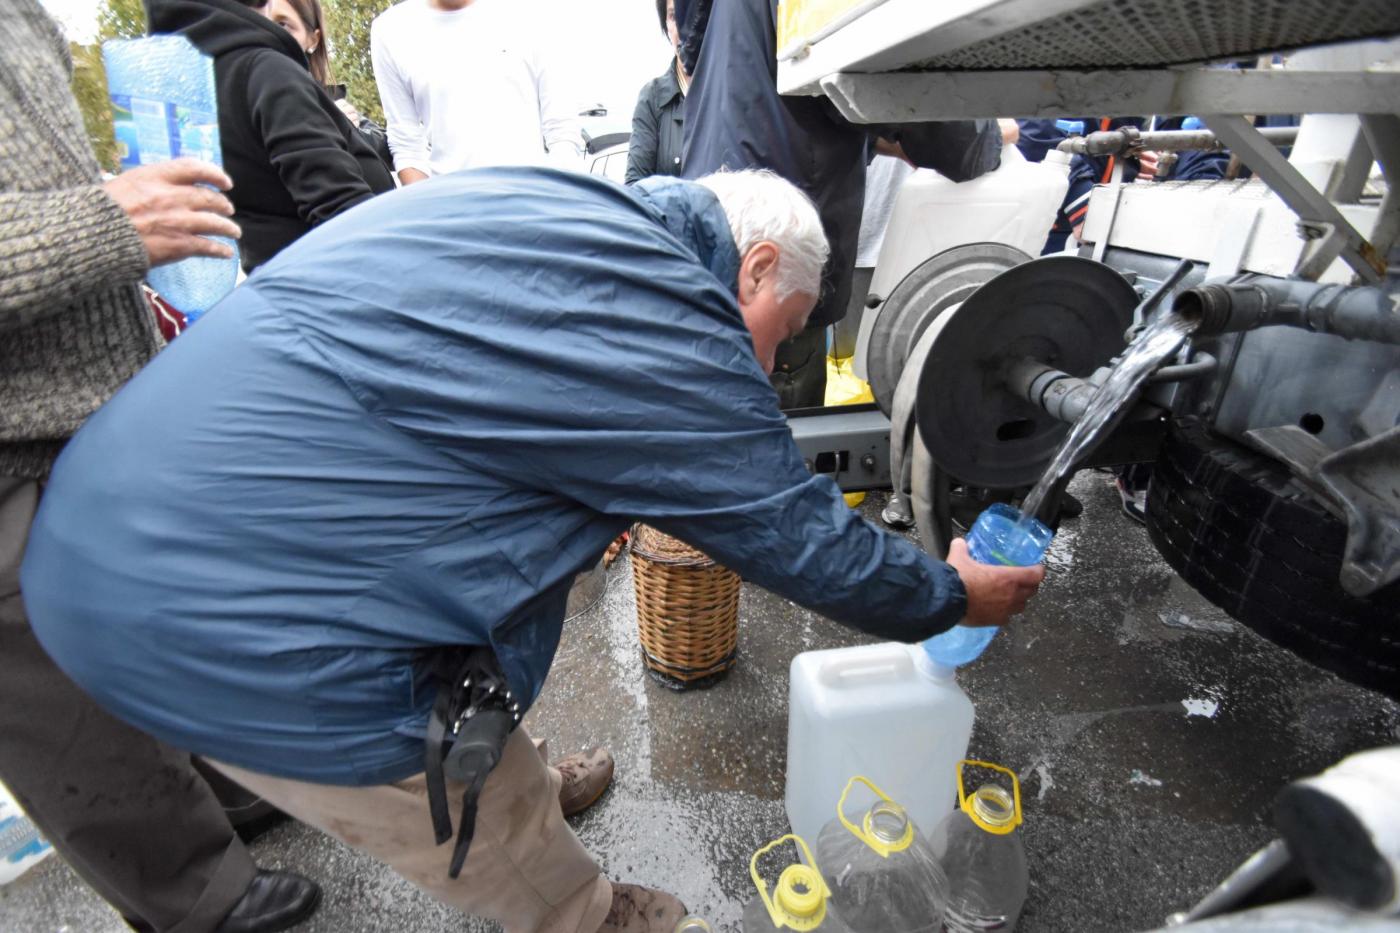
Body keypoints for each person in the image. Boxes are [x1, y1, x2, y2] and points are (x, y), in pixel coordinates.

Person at [21, 167, 1045, 933]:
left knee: (467, 679)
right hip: (200, 616)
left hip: (108, 523)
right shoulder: (661, 310)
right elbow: (794, 531)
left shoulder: (564, 210)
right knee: (454, 783)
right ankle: (578, 903)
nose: (773, 363)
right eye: (785, 329)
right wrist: (949, 595)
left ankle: (516, 781)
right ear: (758, 266)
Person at [0, 2, 320, 930]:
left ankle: (236, 788)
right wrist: (103, 222)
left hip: (98, 409)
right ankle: (198, 894)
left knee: (158, 619)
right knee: (56, 689)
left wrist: (109, 198)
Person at [674, 0, 1003, 408]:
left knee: (706, 411)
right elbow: (884, 71)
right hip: (778, 265)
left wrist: (865, 138)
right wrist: (983, 141)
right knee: (774, 416)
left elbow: (770, 87)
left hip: (705, 235)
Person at [148, 0, 396, 273]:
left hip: (278, 279)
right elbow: (342, 211)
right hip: (343, 279)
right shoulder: (265, 70)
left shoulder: (194, 81)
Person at [370, 0, 583, 184]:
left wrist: (555, 199)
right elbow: (406, 145)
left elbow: (562, 130)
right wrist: (429, 211)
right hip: (450, 207)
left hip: (530, 199)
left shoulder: (533, 13)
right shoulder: (391, 31)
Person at [265, 0, 395, 171]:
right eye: (260, 21)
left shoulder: (330, 101)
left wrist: (346, 129)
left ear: (313, 39)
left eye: (282, 24)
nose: (267, 32)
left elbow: (392, 147)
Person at [624, 0, 688, 184]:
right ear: (666, 24)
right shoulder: (652, 98)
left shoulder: (729, 95)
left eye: (690, 14)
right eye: (674, 16)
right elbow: (635, 186)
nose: (683, 28)